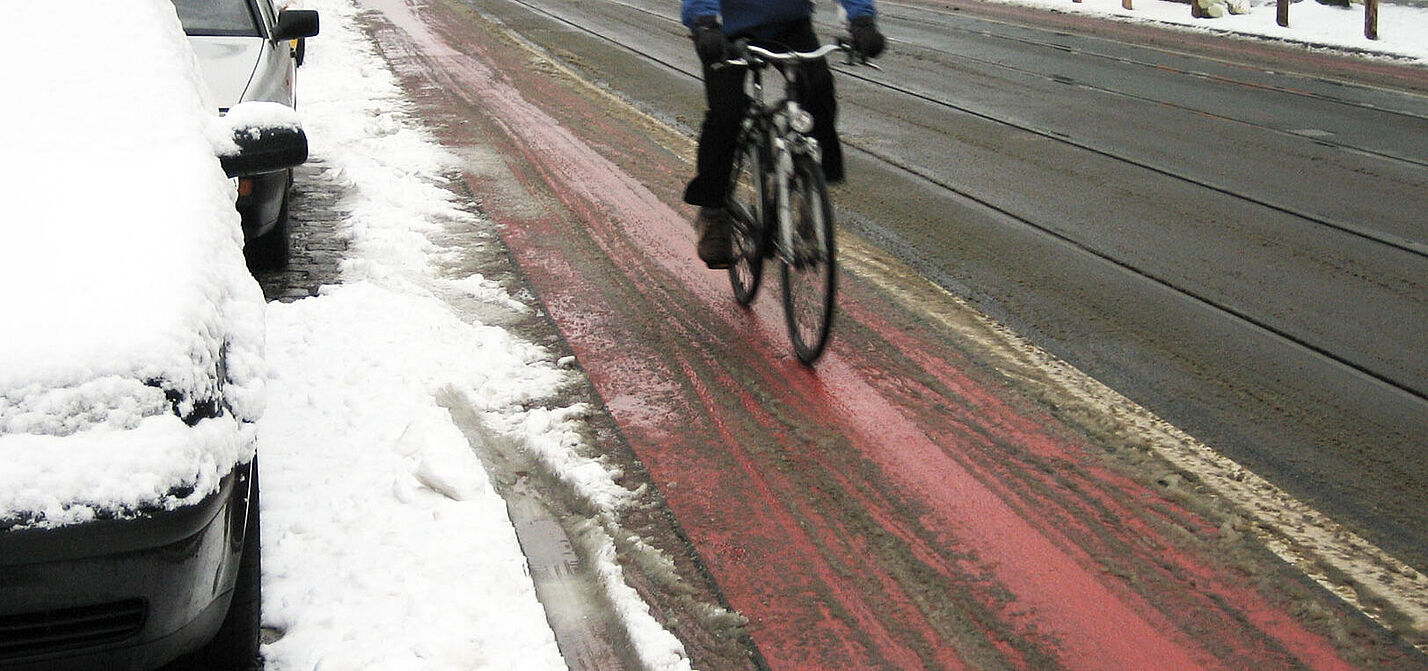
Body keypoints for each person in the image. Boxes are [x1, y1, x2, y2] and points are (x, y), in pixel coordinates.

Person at [681, 0, 885, 269]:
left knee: (819, 92)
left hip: (789, 24)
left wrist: (862, 20)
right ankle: (713, 211)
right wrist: (704, 23)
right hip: (725, 29)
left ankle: (805, 181)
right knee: (726, 114)